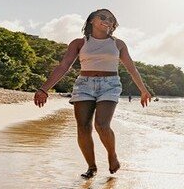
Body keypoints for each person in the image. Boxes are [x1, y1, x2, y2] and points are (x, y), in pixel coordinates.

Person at [34, 9, 152, 178]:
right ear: (91, 20)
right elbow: (63, 66)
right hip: (84, 85)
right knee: (83, 127)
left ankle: (112, 155)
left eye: (111, 19)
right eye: (102, 17)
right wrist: (44, 88)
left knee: (102, 125)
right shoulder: (79, 43)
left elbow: (131, 67)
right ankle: (91, 167)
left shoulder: (118, 44)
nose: (107, 21)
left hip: (110, 85)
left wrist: (143, 90)